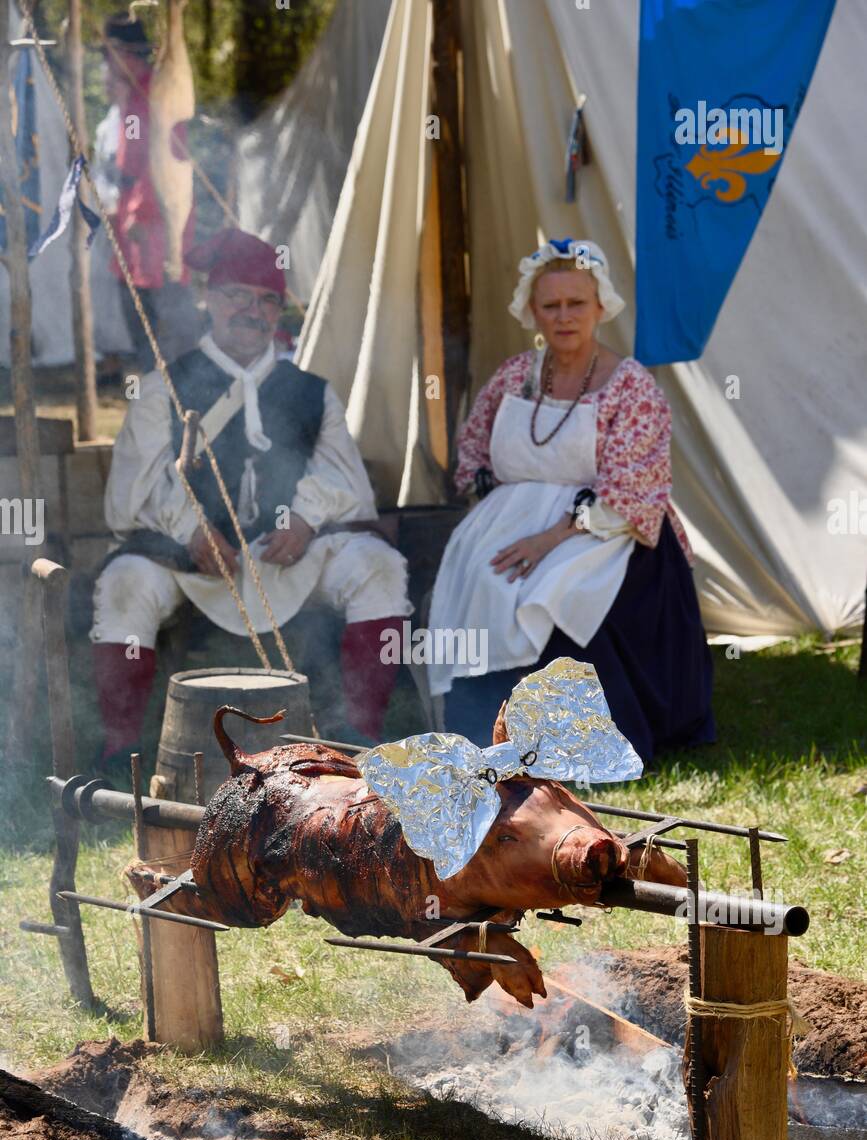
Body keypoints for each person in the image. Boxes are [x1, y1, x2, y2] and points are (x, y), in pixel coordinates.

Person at [91, 228, 412, 769]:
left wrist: (307, 520)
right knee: (125, 584)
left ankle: (360, 738)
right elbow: (131, 496)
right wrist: (190, 531)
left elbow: (348, 485)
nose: (253, 310)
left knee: (380, 566)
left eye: (267, 300)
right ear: (210, 300)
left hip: (284, 558)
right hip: (193, 565)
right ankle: (120, 749)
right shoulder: (161, 387)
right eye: (238, 294)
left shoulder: (312, 391)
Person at [428, 237, 715, 765]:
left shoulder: (631, 386)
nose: (563, 317)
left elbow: (635, 490)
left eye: (576, 303)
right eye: (551, 305)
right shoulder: (515, 376)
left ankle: (579, 746)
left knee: (556, 587)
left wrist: (547, 537)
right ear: (531, 310)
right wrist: (496, 515)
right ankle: (486, 734)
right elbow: (472, 454)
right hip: (511, 518)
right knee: (484, 578)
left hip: (604, 528)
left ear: (600, 306)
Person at [101, 12, 198, 369]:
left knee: (163, 307)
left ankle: (176, 385)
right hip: (140, 216)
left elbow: (155, 160)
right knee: (144, 304)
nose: (108, 68)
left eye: (112, 57)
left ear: (124, 54)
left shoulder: (147, 96)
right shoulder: (136, 96)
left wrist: (138, 212)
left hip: (154, 217)